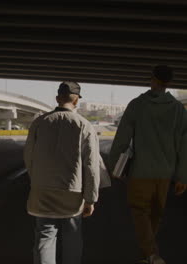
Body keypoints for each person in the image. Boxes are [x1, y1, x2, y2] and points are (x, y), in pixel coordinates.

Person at [109, 65, 187, 264]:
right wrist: (182, 176)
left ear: (152, 79)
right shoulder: (179, 109)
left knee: (139, 210)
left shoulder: (137, 104)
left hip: (140, 171)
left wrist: (114, 166)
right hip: (165, 172)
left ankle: (151, 254)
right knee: (156, 213)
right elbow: (184, 145)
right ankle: (147, 255)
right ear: (169, 82)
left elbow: (122, 139)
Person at [24, 81, 100, 264]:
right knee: (72, 237)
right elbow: (91, 165)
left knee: (44, 236)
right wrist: (90, 198)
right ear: (76, 101)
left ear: (57, 98)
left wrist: (37, 182)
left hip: (42, 191)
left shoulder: (39, 122)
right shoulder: (84, 125)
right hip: (72, 193)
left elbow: (28, 157)